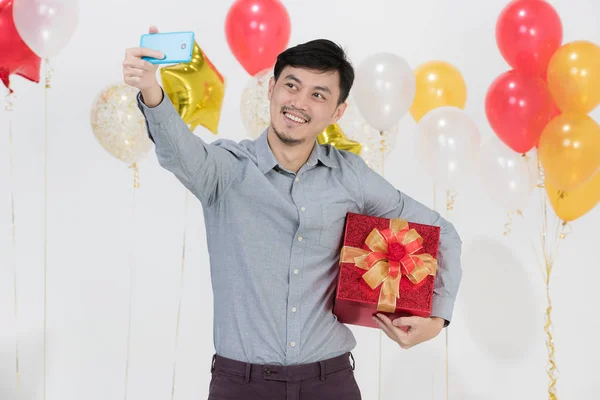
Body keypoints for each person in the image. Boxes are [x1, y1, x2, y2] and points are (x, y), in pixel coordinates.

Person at [122, 26, 462, 400]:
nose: (299, 102)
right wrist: (151, 90)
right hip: (241, 385)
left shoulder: (351, 177)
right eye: (292, 86)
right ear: (271, 89)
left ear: (337, 112)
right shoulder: (225, 170)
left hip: (329, 382)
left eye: (318, 94)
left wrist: (436, 319)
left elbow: (439, 230)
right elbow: (179, 150)